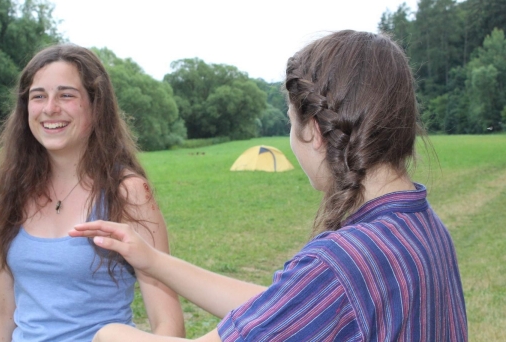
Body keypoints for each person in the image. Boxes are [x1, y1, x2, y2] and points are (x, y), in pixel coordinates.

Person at [70, 30, 468, 341]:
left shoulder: (341, 262)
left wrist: (109, 333)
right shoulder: (421, 225)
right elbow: (279, 305)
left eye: (290, 124)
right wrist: (154, 261)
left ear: (314, 131)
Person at [0, 44, 185, 341]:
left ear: (96, 106)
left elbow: (168, 323)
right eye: (38, 96)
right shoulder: (15, 187)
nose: (50, 108)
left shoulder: (128, 192)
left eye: (66, 95)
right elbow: (0, 311)